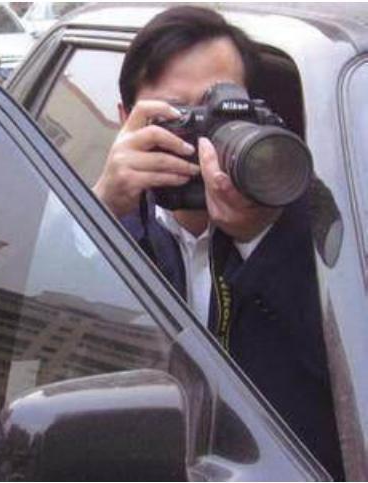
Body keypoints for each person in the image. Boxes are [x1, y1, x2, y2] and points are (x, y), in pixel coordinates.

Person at [93, 6, 344, 480]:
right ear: (126, 121)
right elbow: (50, 345)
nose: (206, 138)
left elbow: (349, 380)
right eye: (182, 115)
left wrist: (260, 239)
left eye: (223, 109)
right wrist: (100, 212)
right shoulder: (98, 223)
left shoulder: (320, 218)